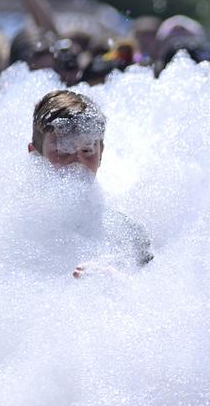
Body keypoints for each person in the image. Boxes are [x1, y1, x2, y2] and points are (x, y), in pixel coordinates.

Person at [29, 90, 153, 276]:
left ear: (101, 152)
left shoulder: (130, 234)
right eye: (63, 150)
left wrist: (117, 284)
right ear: (35, 155)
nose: (76, 161)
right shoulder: (16, 232)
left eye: (87, 150)